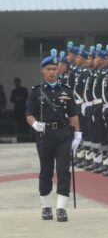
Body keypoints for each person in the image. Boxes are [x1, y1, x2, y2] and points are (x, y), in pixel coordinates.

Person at [26, 49, 81, 222]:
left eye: (54, 69)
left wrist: (78, 134)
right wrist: (35, 124)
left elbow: (73, 114)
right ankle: (46, 206)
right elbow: (29, 114)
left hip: (64, 134)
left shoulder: (66, 90)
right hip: (44, 134)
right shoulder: (36, 91)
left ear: (59, 70)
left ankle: (61, 208)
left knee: (63, 170)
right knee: (46, 171)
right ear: (42, 70)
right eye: (48, 69)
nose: (52, 72)